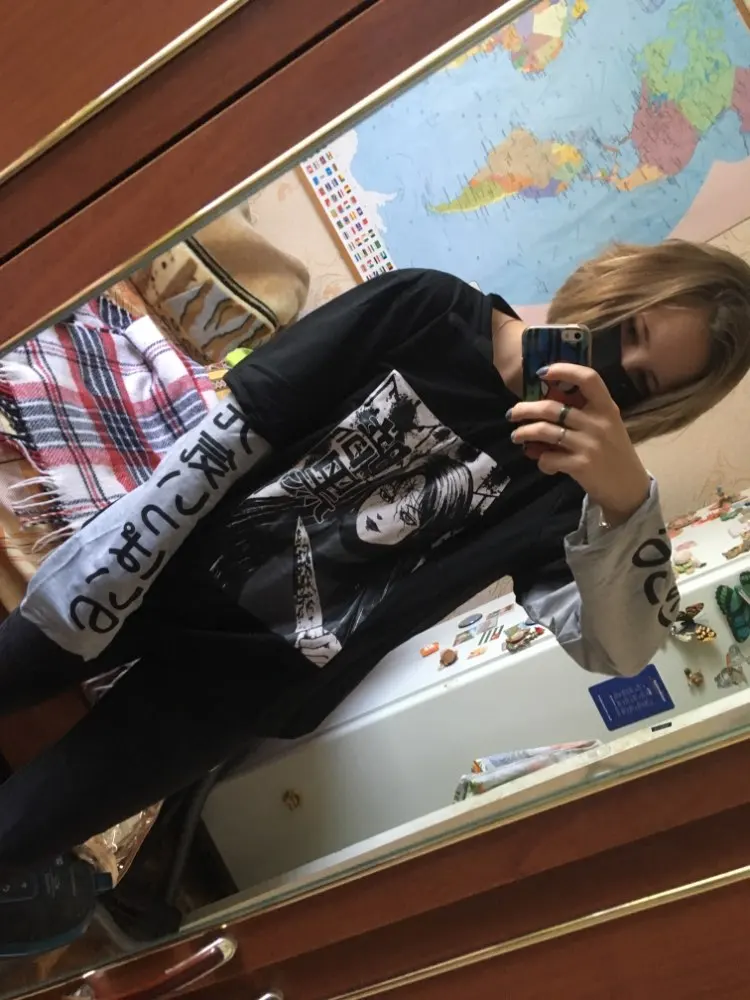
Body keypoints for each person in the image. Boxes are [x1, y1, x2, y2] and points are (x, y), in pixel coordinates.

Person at [2, 239, 750, 954]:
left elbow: (619, 652)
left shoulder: (569, 498)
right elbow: (236, 430)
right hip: (149, 574)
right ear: (613, 281)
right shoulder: (428, 307)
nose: (617, 365)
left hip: (234, 692)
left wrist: (627, 505)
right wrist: (117, 564)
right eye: (631, 329)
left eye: (644, 384)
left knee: (21, 833)